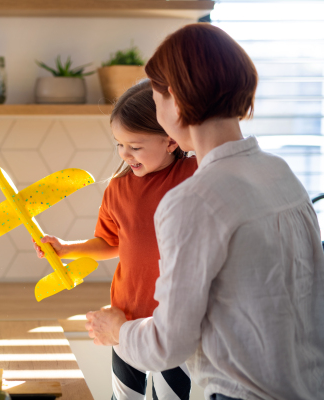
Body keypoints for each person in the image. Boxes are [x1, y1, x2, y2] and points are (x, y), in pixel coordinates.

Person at [85, 23, 324, 400]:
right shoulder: (281, 176)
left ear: (175, 102)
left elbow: (167, 345)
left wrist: (116, 329)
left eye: (156, 95)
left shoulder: (192, 200)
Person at [33, 79, 198, 399]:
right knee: (125, 397)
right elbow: (110, 243)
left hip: (172, 323)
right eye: (119, 144)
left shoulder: (194, 174)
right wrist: (66, 248)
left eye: (135, 146)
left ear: (170, 141)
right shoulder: (118, 188)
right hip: (122, 319)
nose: (125, 154)